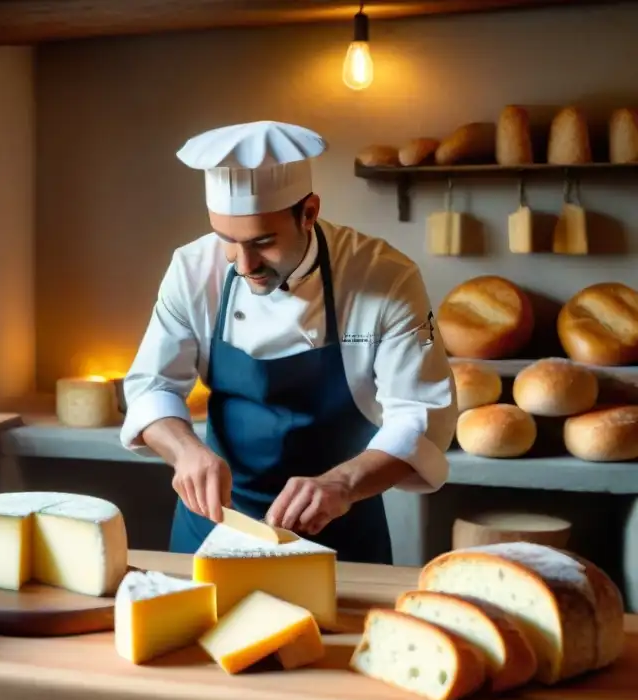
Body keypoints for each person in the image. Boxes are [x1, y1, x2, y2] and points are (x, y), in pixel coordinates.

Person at [118, 120, 458, 565]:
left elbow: (420, 414)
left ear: (309, 212)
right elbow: (151, 387)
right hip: (214, 528)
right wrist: (185, 451)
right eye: (228, 241)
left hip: (337, 530)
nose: (244, 264)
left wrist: (343, 484)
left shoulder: (384, 277)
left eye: (263, 242)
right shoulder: (192, 270)